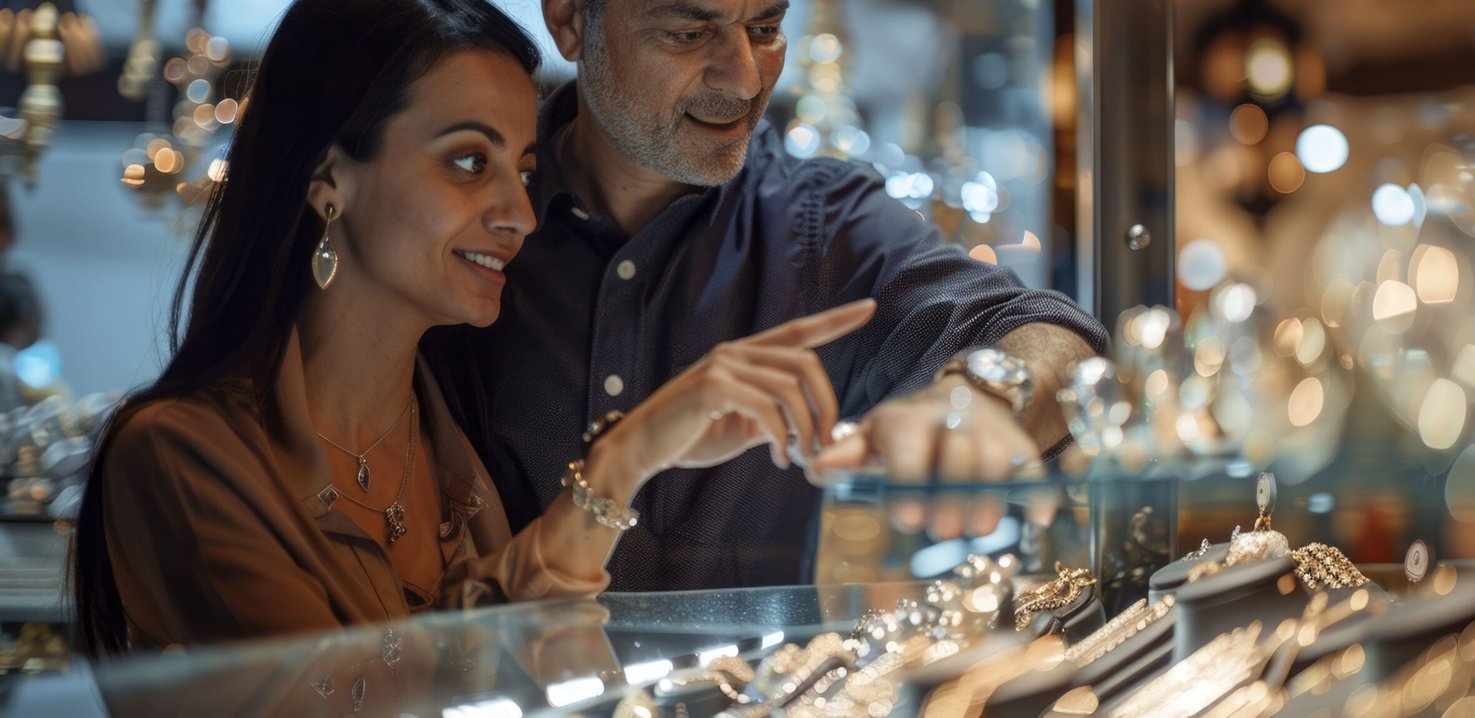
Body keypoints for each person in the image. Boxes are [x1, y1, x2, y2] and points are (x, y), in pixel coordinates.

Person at [69, 0, 875, 654]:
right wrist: (621, 459)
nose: (521, 213)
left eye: (524, 170)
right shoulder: (181, 456)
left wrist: (629, 465)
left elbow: (548, 684)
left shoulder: (449, 449)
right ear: (328, 179)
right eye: (468, 162)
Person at [421, 0, 1110, 592]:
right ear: (571, 20)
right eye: (688, 34)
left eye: (765, 27)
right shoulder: (465, 219)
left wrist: (983, 396)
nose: (746, 79)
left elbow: (1049, 330)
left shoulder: (819, 225)